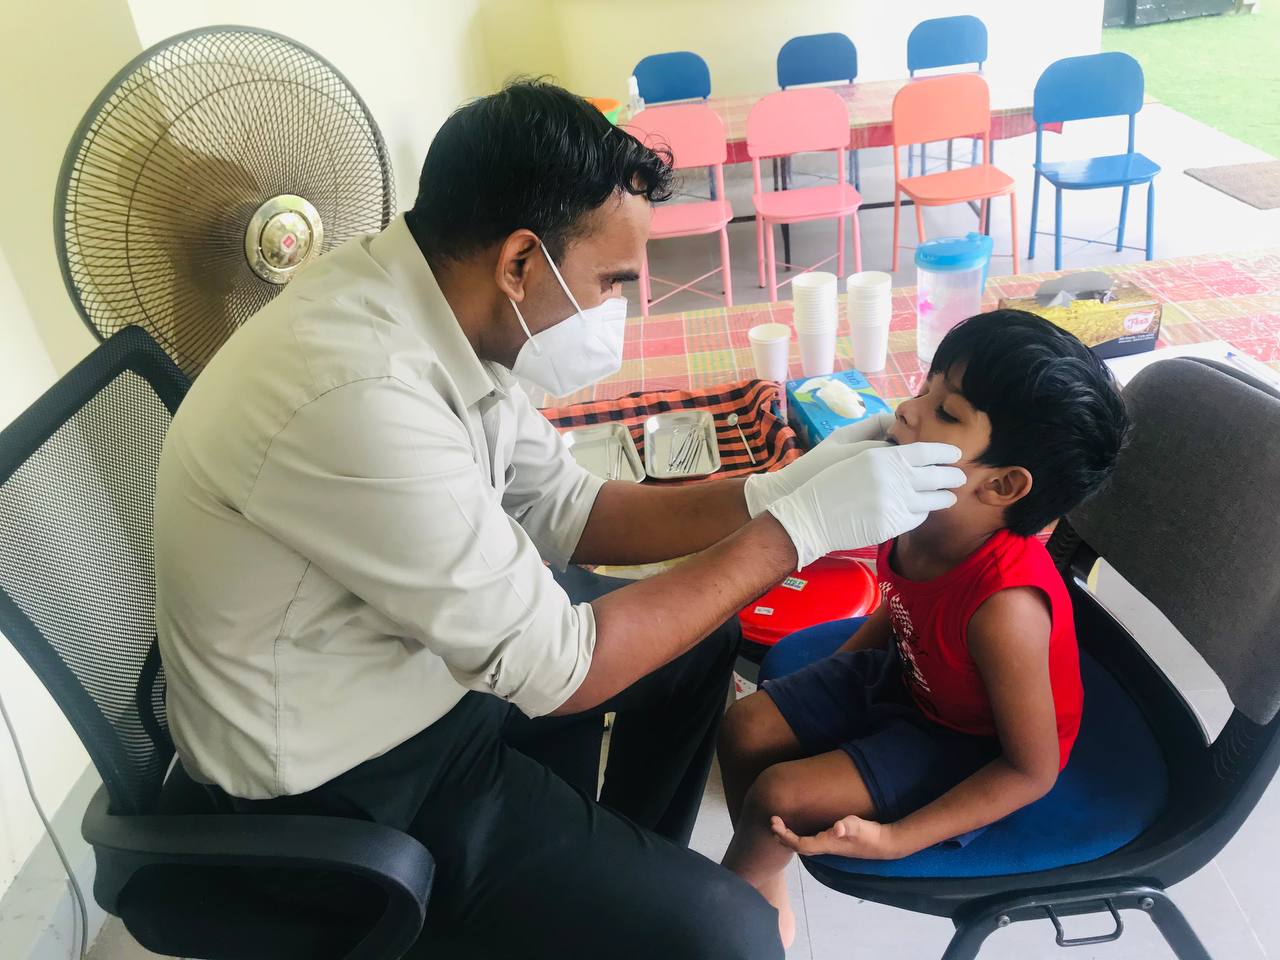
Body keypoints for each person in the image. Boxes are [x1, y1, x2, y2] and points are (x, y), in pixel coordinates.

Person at [152, 79, 964, 959]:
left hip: (410, 668)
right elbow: (561, 673)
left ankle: (609, 890)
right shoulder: (357, 392)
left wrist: (775, 486)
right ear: (520, 263)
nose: (617, 307)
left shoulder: (438, 307)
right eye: (610, 281)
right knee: (726, 936)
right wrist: (796, 531)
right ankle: (623, 912)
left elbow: (571, 508)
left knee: (697, 640)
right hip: (345, 781)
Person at [716, 310, 1129, 946]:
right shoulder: (925, 510)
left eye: (947, 412)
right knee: (744, 726)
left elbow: (1030, 771)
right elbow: (905, 602)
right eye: (926, 387)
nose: (908, 409)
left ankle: (727, 921)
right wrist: (835, 678)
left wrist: (896, 839)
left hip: (966, 739)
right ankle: (766, 874)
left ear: (1002, 485)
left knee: (782, 793)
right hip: (915, 675)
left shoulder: (1006, 610)